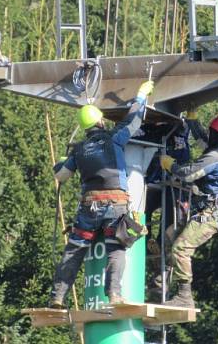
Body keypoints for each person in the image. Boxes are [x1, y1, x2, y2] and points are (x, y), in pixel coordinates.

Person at [48, 80, 155, 309]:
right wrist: (140, 97)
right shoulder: (113, 138)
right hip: (115, 205)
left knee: (75, 249)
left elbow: (62, 176)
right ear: (100, 121)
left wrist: (61, 164)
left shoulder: (78, 150)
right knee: (116, 249)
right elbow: (133, 121)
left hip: (90, 208)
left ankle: (57, 297)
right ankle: (114, 295)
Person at [158, 111, 218, 308]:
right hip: (211, 211)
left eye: (211, 132)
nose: (208, 135)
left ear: (216, 134)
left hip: (213, 213)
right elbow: (203, 139)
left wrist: (171, 165)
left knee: (181, 247)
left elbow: (188, 174)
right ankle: (161, 281)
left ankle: (184, 297)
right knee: (169, 236)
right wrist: (192, 121)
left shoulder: (215, 157)